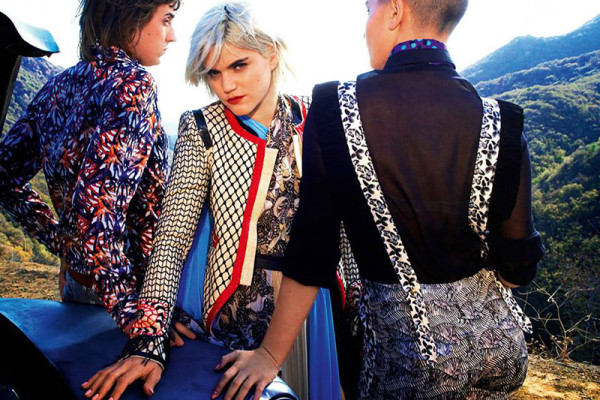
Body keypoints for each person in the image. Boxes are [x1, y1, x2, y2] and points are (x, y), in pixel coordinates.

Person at [211, 0, 546, 399]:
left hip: (408, 363)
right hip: (497, 354)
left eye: (368, 9)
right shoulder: (503, 120)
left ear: (395, 11)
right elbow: (517, 269)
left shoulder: (335, 110)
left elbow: (314, 251)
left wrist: (270, 355)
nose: (365, 25)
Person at [82, 3, 341, 400]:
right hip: (228, 314)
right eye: (213, 73)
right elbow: (172, 239)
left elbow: (341, 226)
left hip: (311, 310)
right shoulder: (200, 126)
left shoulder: (318, 115)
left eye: (239, 65)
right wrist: (148, 341)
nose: (226, 85)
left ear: (271, 55)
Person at [0, 0, 179, 330]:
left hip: (80, 284)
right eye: (166, 20)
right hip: (132, 293)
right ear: (131, 20)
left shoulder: (59, 85)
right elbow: (98, 205)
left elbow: (4, 175)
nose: (172, 35)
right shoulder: (134, 84)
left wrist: (64, 244)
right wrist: (128, 307)